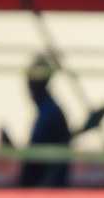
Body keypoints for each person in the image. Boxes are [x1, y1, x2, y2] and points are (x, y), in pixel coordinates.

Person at [19, 54, 71, 188]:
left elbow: (49, 165)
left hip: (42, 194)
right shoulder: (47, 111)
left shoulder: (50, 114)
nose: (28, 88)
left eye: (30, 82)